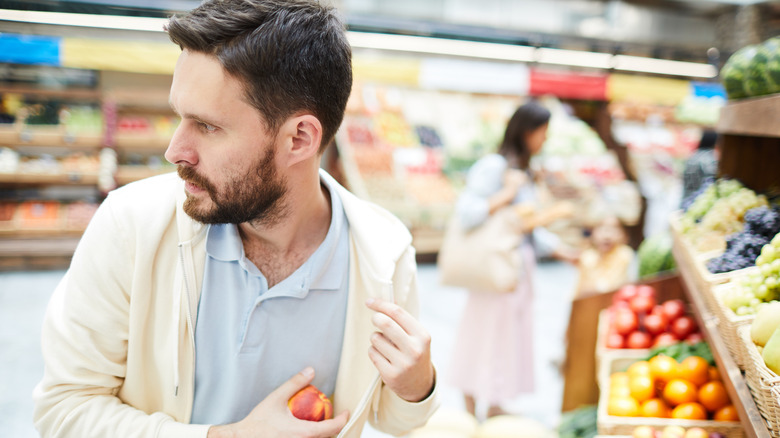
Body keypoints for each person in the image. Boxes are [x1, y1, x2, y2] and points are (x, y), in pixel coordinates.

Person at [32, 1, 438, 437]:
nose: (175, 151)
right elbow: (64, 410)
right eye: (179, 118)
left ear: (299, 138)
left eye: (206, 126)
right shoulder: (130, 226)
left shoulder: (382, 252)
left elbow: (393, 420)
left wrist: (418, 386)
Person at [447, 101, 577, 419]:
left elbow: (523, 225)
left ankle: (493, 403)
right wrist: (506, 194)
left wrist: (559, 249)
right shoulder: (495, 167)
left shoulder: (522, 170)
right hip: (494, 268)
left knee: (504, 338)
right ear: (528, 131)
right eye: (543, 133)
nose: (545, 140)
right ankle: (469, 403)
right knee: (482, 335)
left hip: (515, 269)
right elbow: (467, 213)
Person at [575, 215, 636, 296]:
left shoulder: (626, 255)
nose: (606, 236)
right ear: (592, 233)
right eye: (601, 229)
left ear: (624, 235)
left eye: (613, 229)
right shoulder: (586, 257)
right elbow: (579, 293)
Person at [681, 129, 719, 205]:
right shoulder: (709, 158)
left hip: (686, 198)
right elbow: (711, 180)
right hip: (698, 201)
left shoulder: (693, 155)